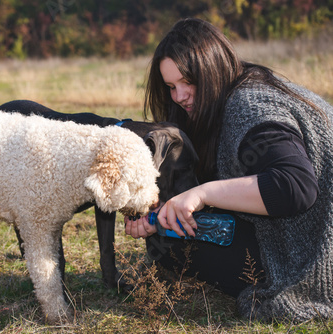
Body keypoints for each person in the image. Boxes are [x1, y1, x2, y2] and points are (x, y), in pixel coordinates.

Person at [124, 17, 333, 322]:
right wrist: (159, 212)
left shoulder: (250, 107)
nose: (179, 96)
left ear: (211, 70)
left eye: (188, 82)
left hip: (316, 249)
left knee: (171, 246)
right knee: (166, 233)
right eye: (171, 86)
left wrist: (202, 194)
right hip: (295, 232)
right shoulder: (229, 93)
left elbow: (295, 187)